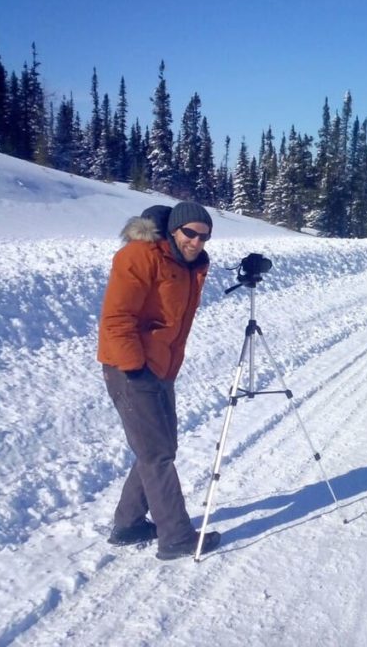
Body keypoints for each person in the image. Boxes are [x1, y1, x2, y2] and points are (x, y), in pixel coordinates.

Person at [97, 200, 221, 561]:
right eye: (190, 233)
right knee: (156, 454)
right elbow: (116, 317)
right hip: (130, 368)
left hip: (161, 367)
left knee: (162, 447)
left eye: (204, 236)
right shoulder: (139, 256)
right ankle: (176, 536)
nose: (197, 241)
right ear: (173, 229)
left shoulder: (187, 264)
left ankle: (129, 524)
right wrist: (134, 366)